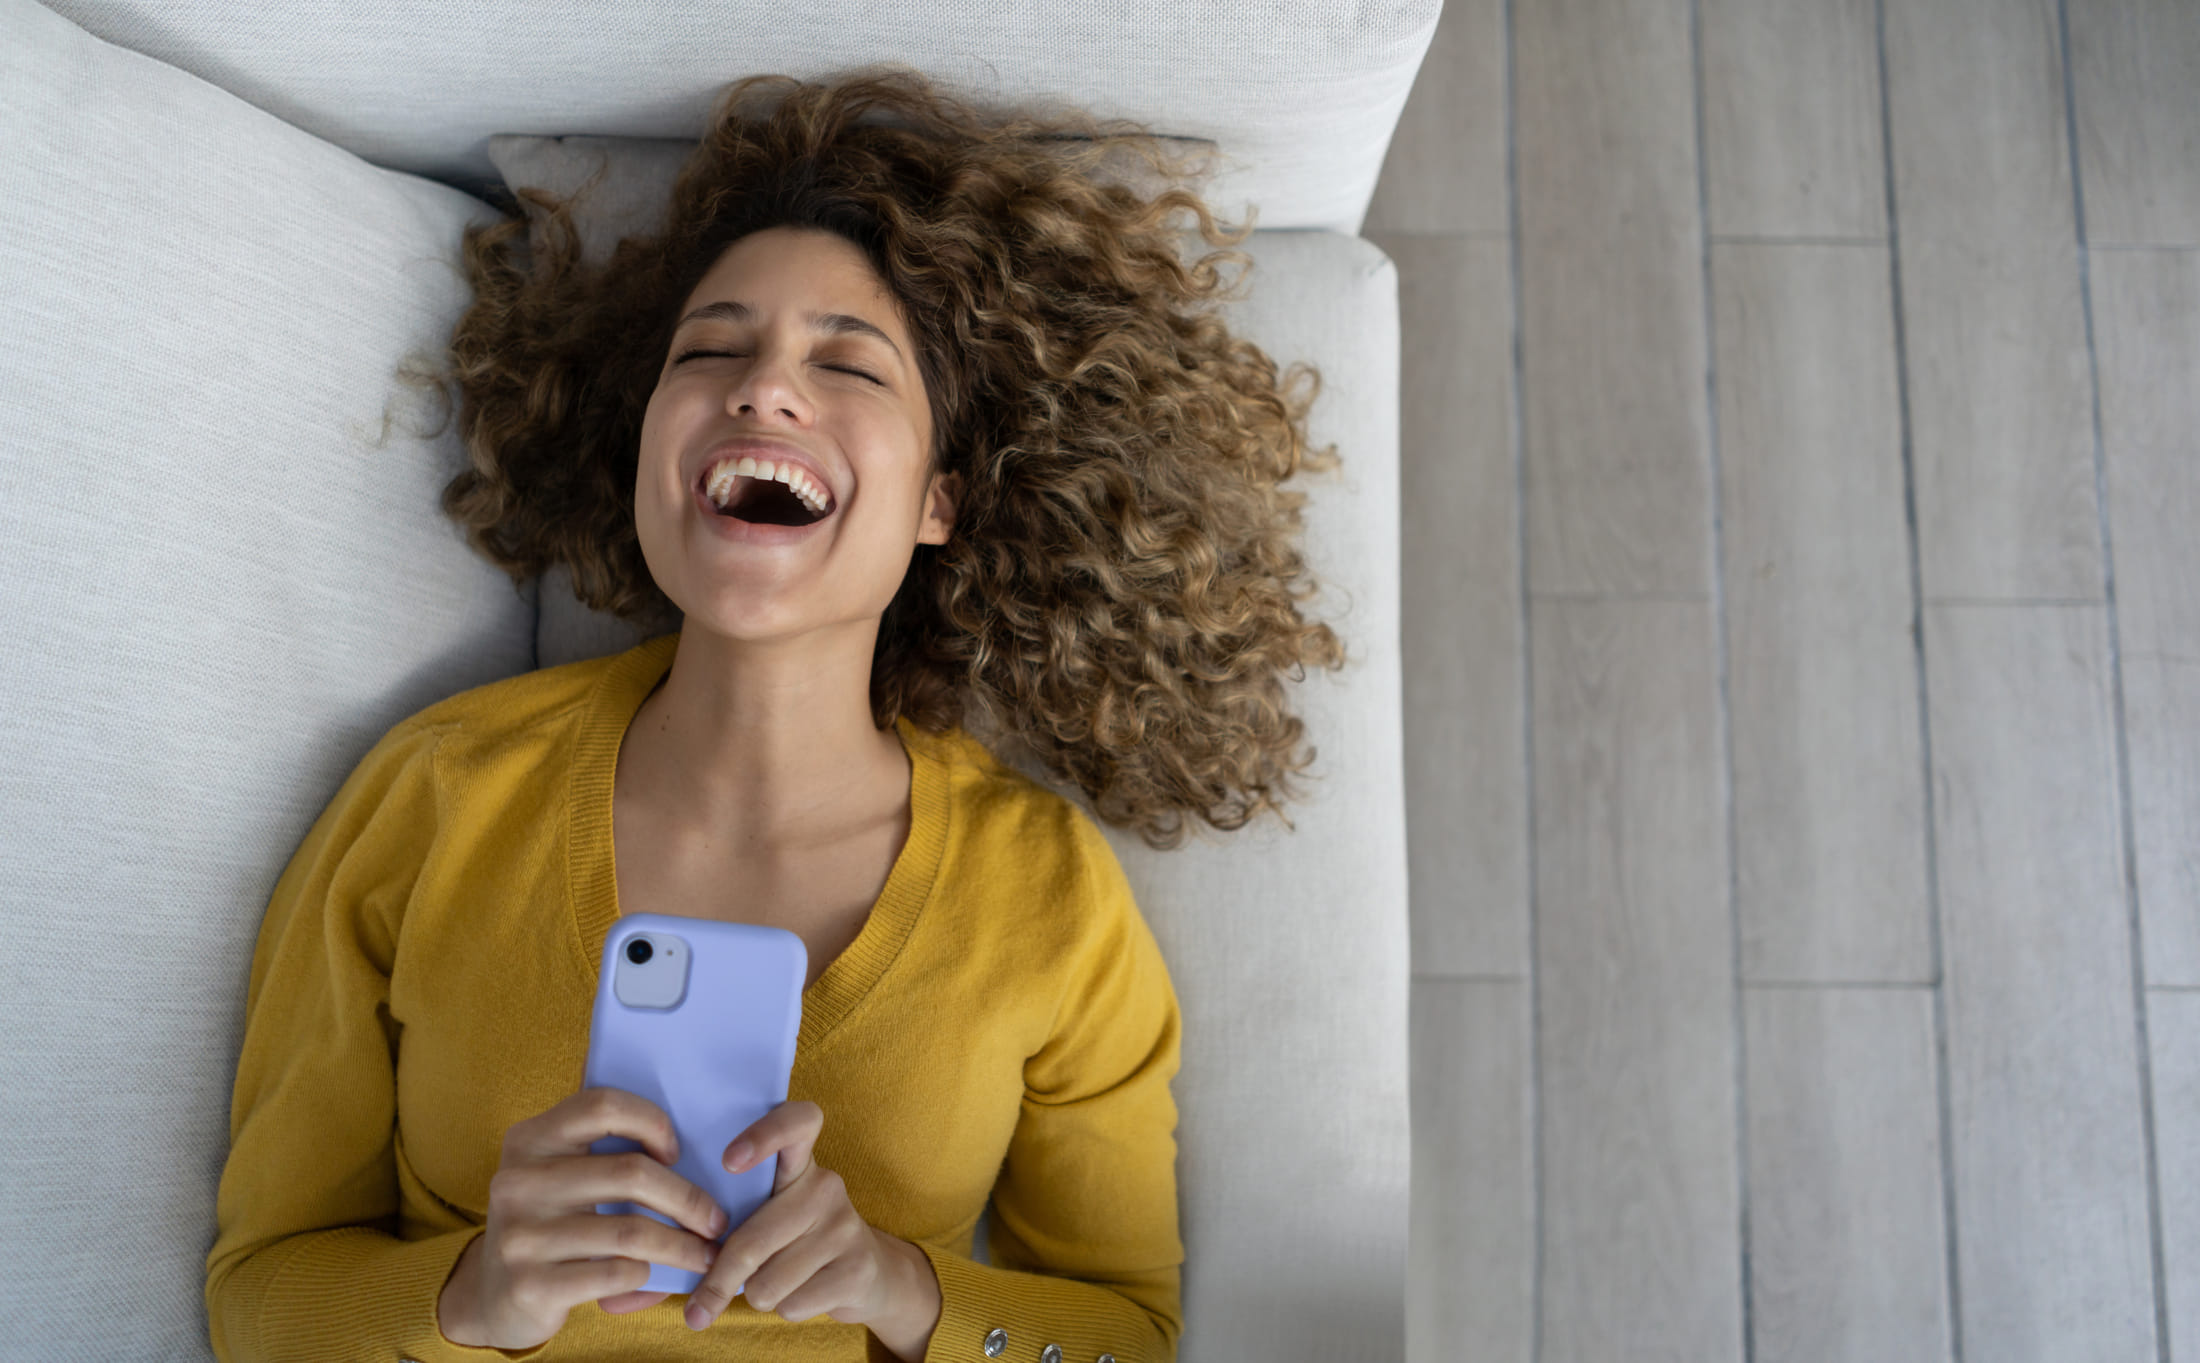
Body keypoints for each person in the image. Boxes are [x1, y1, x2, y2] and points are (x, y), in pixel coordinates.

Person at [203, 67, 1346, 1363]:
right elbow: (258, 1293)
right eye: (711, 350)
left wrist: (902, 1290)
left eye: (846, 363)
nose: (762, 389)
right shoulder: (429, 799)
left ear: (940, 503)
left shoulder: (1052, 908)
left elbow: (1129, 1339)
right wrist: (472, 1296)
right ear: (647, 453)